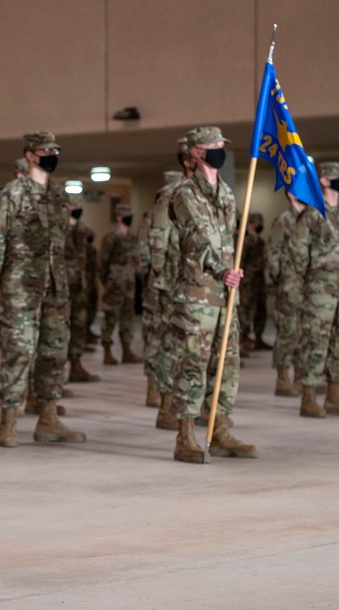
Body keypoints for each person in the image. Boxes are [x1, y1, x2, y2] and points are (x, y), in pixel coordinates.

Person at [0, 131, 85, 448]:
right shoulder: (12, 193)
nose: (52, 155)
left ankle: (48, 418)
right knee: (19, 352)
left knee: (54, 352)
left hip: (55, 285)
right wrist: (6, 278)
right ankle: (9, 422)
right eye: (45, 151)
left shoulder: (59, 196)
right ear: (30, 155)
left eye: (55, 150)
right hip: (21, 287)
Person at [168, 127, 256, 463]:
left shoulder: (228, 194)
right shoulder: (184, 193)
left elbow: (229, 241)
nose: (219, 150)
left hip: (225, 294)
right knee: (193, 364)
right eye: (213, 146)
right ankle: (185, 436)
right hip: (197, 296)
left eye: (222, 145)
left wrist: (230, 272)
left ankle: (219, 429)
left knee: (228, 363)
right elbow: (198, 241)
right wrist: (222, 270)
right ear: (196, 153)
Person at [284, 162, 339, 418]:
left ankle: (334, 396)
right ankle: (308, 398)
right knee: (315, 344)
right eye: (337, 177)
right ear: (324, 181)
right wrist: (296, 294)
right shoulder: (311, 215)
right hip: (319, 293)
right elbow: (297, 256)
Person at [146, 151, 193, 427]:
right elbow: (158, 239)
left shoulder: (208, 189)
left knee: (195, 348)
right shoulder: (170, 194)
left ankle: (192, 407)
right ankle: (166, 406)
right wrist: (161, 280)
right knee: (169, 344)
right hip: (173, 281)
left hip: (199, 282)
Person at [267, 192, 306, 396]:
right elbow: (273, 252)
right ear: (291, 194)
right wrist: (281, 279)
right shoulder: (284, 220)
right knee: (287, 332)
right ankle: (283, 379)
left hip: (308, 286)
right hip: (289, 286)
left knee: (304, 333)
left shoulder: (310, 217)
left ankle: (301, 379)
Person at [99, 204, 142, 365]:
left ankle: (127, 350)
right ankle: (107, 351)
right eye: (126, 215)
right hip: (114, 285)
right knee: (110, 318)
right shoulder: (111, 239)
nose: (129, 218)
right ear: (119, 217)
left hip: (129, 286)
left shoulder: (133, 239)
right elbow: (102, 264)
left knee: (128, 318)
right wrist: (108, 281)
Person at [65, 195, 98, 383]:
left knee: (79, 325)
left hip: (80, 285)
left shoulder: (83, 231)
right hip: (63, 287)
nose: (77, 208)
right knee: (60, 330)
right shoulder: (59, 229)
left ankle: (76, 365)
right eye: (73, 205)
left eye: (79, 205)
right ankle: (57, 371)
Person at [238, 212, 267, 354]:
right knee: (244, 310)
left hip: (257, 279)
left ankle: (256, 338)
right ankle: (241, 342)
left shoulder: (256, 239)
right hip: (247, 280)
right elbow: (242, 259)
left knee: (257, 310)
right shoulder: (248, 239)